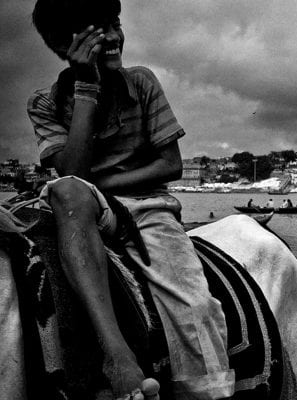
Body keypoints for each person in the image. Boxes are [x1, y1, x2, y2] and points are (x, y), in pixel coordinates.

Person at [27, 1, 233, 398]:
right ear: (65, 44)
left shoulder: (141, 82)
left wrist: (101, 181)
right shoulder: (45, 102)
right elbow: (71, 174)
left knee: (195, 306)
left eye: (115, 25)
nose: (113, 38)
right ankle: (117, 355)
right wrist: (86, 86)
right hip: (82, 206)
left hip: (146, 207)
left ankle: (209, 389)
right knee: (68, 192)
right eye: (97, 30)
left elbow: (169, 165)